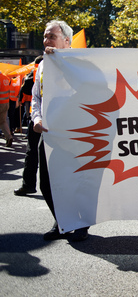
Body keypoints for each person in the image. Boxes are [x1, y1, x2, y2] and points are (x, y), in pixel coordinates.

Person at [33, 20, 89, 242]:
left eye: (52, 37)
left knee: (78, 179)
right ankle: (63, 222)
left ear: (67, 41)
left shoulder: (79, 63)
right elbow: (37, 97)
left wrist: (61, 62)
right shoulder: (42, 65)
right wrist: (36, 118)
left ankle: (82, 223)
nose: (47, 41)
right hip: (49, 132)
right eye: (46, 37)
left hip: (75, 133)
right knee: (47, 182)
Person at [14, 56, 43, 196]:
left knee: (32, 152)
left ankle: (28, 184)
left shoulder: (38, 68)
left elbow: (26, 86)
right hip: (39, 115)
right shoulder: (42, 67)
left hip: (38, 115)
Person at [0, 70, 13, 147]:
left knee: (2, 122)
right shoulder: (5, 78)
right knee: (2, 122)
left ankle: (9, 137)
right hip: (5, 103)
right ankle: (9, 137)